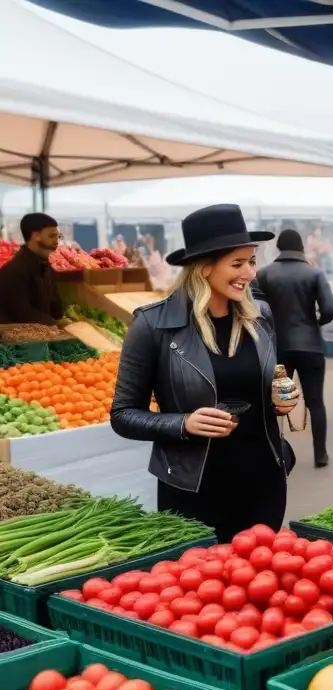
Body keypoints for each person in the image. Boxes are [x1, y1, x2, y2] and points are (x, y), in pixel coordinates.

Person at [109, 204, 294, 542]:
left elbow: (261, 380)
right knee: (200, 587)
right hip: (193, 489)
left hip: (263, 482)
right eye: (237, 264)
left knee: (260, 583)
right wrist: (183, 423)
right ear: (204, 267)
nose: (250, 273)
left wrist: (279, 398)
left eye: (251, 262)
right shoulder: (153, 325)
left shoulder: (260, 315)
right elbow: (123, 415)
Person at [256, 229, 333, 468]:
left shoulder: (264, 274)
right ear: (301, 247)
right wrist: (314, 324)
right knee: (315, 402)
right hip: (311, 346)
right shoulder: (314, 273)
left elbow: (255, 309)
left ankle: (272, 452)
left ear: (279, 247)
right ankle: (320, 454)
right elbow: (330, 309)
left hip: (277, 348)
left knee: (275, 402)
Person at [0, 213, 66, 325]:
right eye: (51, 236)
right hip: (20, 340)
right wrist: (56, 324)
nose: (56, 241)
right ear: (36, 236)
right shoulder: (13, 271)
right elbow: (21, 313)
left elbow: (55, 306)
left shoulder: (46, 266)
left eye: (58, 236)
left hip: (46, 335)